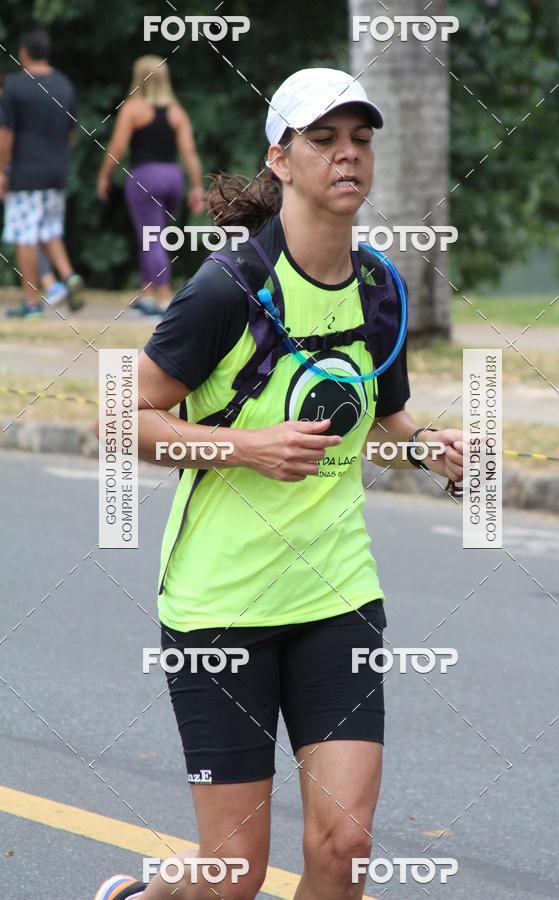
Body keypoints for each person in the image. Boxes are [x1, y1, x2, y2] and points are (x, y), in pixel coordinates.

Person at [94, 68, 464, 900]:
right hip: (221, 606)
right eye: (323, 139)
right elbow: (121, 419)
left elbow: (379, 424)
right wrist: (246, 448)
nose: (347, 156)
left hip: (337, 595)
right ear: (282, 160)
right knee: (233, 876)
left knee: (344, 846)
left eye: (360, 139)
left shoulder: (380, 290)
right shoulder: (228, 288)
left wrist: (432, 450)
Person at [96, 56, 206, 316]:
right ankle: (146, 292)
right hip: (172, 177)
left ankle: (164, 297)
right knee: (154, 234)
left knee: (150, 237)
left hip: (145, 177)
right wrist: (196, 187)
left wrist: (104, 175)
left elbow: (118, 146)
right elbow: (189, 153)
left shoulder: (133, 109)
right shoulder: (177, 112)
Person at [0, 29, 85, 317]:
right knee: (50, 231)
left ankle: (31, 302)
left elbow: (6, 136)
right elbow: (72, 134)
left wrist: (1, 172)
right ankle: (70, 277)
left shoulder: (14, 86)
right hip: (57, 171)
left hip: (26, 172)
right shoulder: (65, 84)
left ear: (24, 52)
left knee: (25, 235)